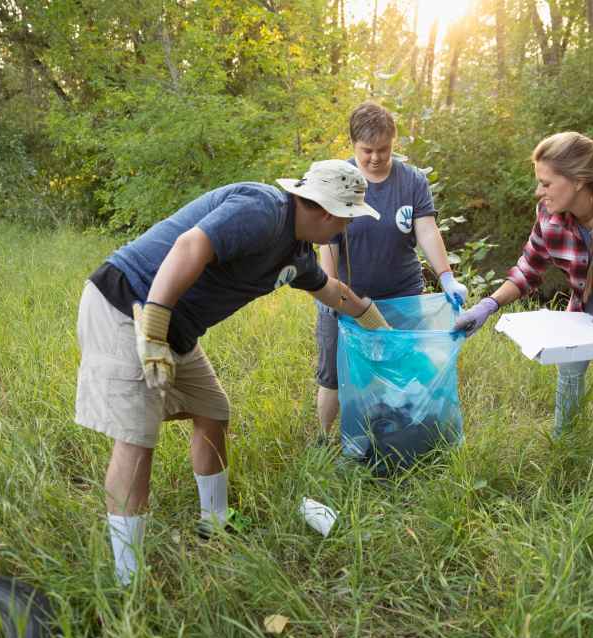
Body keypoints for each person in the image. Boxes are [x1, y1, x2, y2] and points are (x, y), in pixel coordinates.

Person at [75, 160, 388, 586]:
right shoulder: (262, 209)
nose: (344, 232)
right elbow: (190, 246)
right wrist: (154, 324)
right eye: (346, 222)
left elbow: (332, 291)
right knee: (136, 437)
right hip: (128, 305)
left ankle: (215, 519)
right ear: (331, 214)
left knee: (213, 411)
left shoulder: (297, 254)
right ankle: (127, 578)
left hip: (177, 328)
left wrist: (377, 323)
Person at [454, 131, 593, 449]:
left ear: (579, 180)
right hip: (588, 300)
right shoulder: (549, 215)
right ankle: (565, 445)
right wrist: (488, 305)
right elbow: (528, 269)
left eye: (546, 183)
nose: (538, 192)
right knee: (569, 372)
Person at [314, 101, 467, 437]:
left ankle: (397, 435)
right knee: (335, 375)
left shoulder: (411, 180)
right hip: (346, 297)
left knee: (403, 368)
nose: (375, 157)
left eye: (383, 149)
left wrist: (446, 276)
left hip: (402, 295)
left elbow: (426, 229)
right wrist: (329, 290)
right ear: (353, 144)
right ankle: (324, 440)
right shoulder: (340, 179)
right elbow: (327, 240)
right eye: (367, 150)